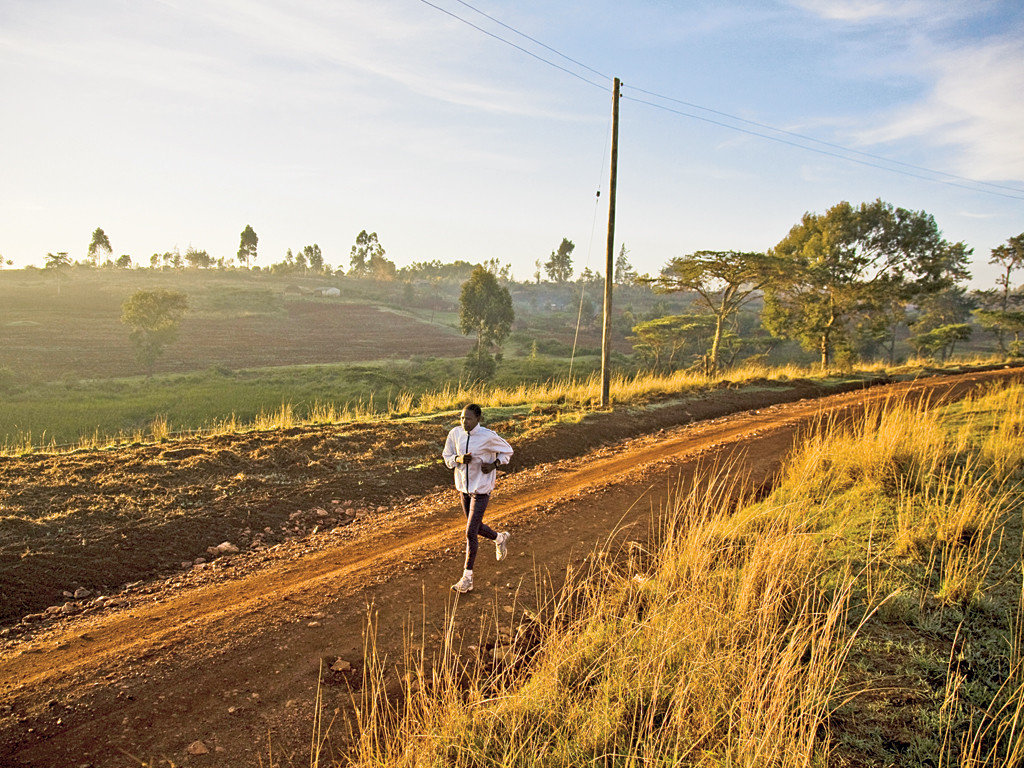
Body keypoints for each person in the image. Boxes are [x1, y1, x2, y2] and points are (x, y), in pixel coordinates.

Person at [442, 403, 513, 593]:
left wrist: (494, 465)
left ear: (478, 419)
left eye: (468, 418)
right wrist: (457, 459)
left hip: (481, 490)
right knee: (475, 526)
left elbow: (508, 450)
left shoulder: (487, 436)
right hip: (463, 489)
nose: (464, 422)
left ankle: (467, 578)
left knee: (470, 532)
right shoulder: (455, 434)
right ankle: (500, 538)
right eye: (462, 418)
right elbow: (447, 456)